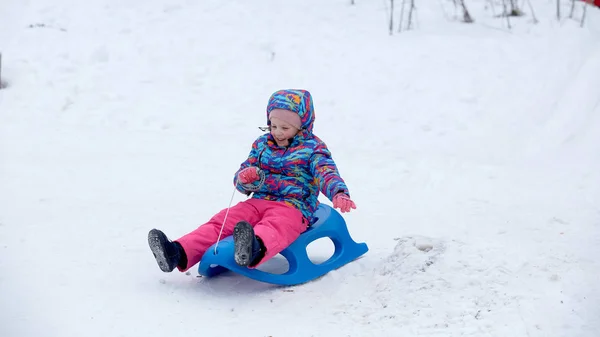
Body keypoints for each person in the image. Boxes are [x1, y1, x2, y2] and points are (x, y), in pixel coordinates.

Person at [148, 89, 356, 273]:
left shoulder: (313, 148)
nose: (277, 132)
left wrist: (338, 192)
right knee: (223, 221)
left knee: (276, 224)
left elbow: (326, 172)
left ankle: (253, 248)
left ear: (303, 127)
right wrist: (245, 178)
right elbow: (242, 176)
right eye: (273, 125)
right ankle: (177, 252)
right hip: (258, 201)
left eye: (285, 128)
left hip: (294, 206)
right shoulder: (262, 145)